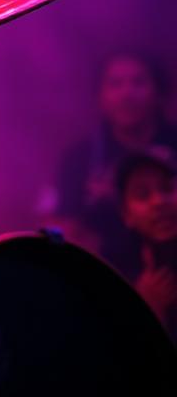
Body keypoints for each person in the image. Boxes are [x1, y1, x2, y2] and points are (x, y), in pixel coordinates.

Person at [52, 52, 177, 272]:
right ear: (100, 96)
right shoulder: (79, 160)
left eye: (138, 82)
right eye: (115, 84)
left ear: (158, 91)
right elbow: (62, 227)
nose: (126, 94)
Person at [116, 148, 177, 342]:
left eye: (167, 188)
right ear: (126, 215)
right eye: (143, 194)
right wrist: (148, 310)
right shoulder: (121, 279)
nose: (159, 201)